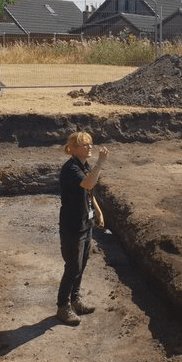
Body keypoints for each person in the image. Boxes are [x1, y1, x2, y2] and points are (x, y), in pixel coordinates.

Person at [56, 132, 108, 326]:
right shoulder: (71, 168)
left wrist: (98, 211)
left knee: (82, 264)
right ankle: (63, 306)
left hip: (85, 223)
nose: (90, 147)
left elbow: (88, 190)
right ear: (74, 149)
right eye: (85, 145)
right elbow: (89, 183)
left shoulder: (83, 165)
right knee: (73, 267)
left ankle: (75, 299)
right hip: (72, 226)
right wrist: (100, 162)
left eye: (90, 144)